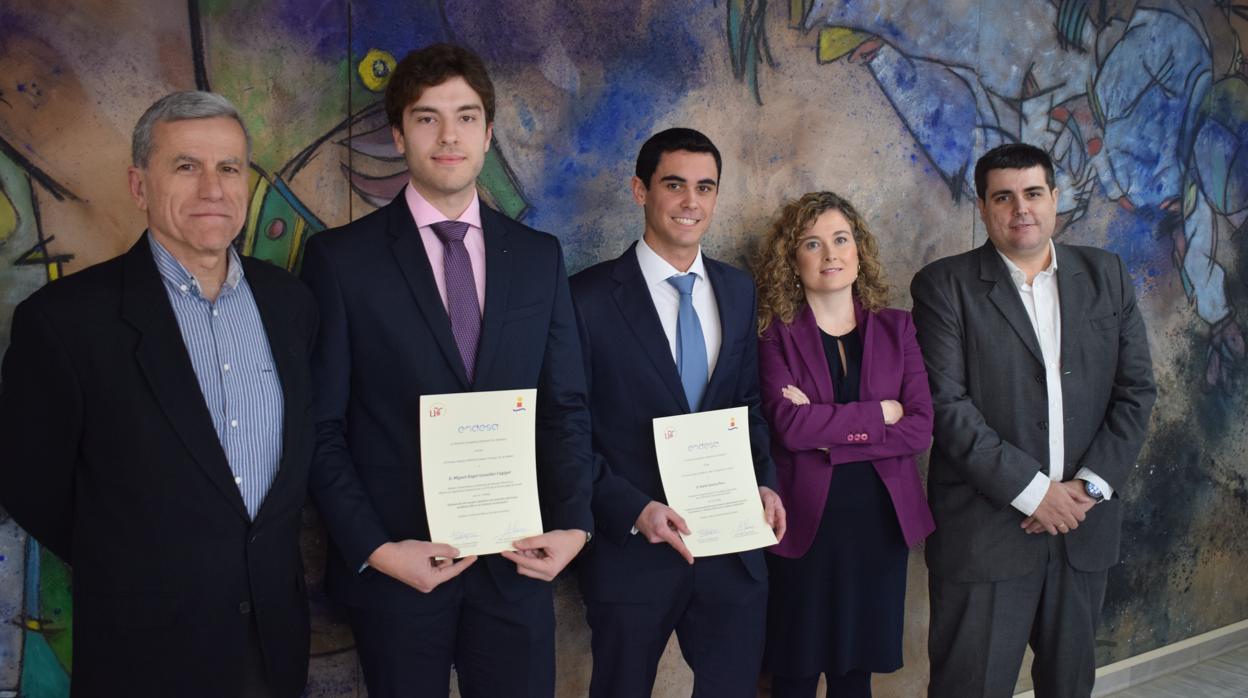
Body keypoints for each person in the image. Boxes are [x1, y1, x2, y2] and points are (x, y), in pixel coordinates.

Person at [0, 91, 317, 697]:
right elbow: (30, 486)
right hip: (142, 651)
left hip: (274, 648)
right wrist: (138, 558)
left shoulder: (291, 304)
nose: (213, 188)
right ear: (139, 184)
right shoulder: (65, 322)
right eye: (185, 166)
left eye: (229, 168)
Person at [299, 43, 592, 698]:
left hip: (517, 566)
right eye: (427, 118)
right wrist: (376, 549)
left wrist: (574, 524)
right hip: (399, 573)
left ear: (487, 134)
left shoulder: (539, 258)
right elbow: (320, 429)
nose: (448, 135)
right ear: (399, 134)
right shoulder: (340, 262)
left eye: (465, 116)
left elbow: (565, 406)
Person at [911, 143, 1157, 698]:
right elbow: (947, 408)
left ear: (1054, 199)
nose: (1020, 208)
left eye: (1033, 193)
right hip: (987, 532)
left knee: (1069, 686)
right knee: (968, 688)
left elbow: (1136, 392)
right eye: (1004, 197)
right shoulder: (943, 286)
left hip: (1083, 527)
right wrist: (1033, 492)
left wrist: (1086, 489)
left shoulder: (1106, 276)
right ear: (982, 206)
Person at [570, 127, 786, 698]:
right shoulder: (585, 298)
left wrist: (765, 483)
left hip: (730, 546)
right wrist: (633, 508)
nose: (691, 202)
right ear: (641, 191)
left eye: (705, 187)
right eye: (675, 184)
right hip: (633, 553)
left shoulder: (738, 292)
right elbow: (566, 430)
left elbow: (747, 408)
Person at [753, 191, 936, 697]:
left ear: (859, 251)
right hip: (805, 523)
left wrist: (827, 431)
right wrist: (880, 413)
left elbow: (920, 428)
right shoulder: (774, 335)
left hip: (878, 524)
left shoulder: (899, 328)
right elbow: (789, 427)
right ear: (793, 260)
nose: (830, 254)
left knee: (856, 673)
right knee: (793, 670)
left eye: (840, 239)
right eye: (812, 244)